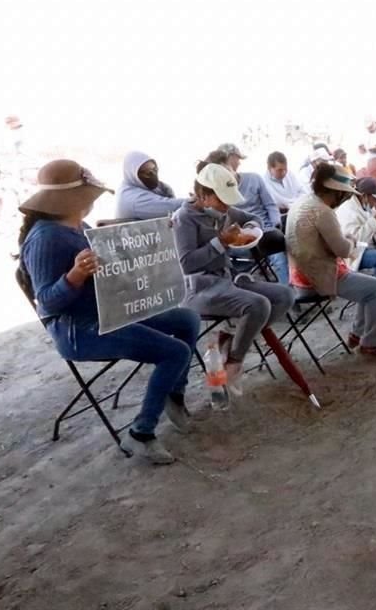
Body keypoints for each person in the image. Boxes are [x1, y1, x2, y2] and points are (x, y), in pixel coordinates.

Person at [18, 159, 200, 464]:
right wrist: (74, 276)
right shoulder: (46, 238)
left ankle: (173, 392)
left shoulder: (75, 225)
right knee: (175, 352)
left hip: (112, 309)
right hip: (80, 329)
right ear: (74, 198)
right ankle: (141, 433)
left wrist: (153, 232)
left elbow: (107, 244)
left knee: (187, 319)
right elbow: (47, 302)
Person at [173, 160, 294, 397]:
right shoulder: (184, 218)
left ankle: (231, 341)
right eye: (221, 199)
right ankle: (234, 361)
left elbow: (253, 218)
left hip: (226, 279)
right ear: (202, 195)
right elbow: (186, 264)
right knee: (258, 304)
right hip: (198, 288)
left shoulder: (224, 211)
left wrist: (250, 227)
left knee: (285, 295)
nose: (227, 206)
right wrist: (221, 242)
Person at [287, 163, 376, 359]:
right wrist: (351, 241)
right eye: (344, 194)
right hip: (317, 277)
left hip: (300, 274)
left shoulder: (304, 202)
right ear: (335, 192)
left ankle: (358, 333)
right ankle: (371, 345)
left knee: (368, 287)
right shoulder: (322, 211)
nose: (345, 198)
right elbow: (343, 249)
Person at [216, 143, 288, 281]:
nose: (239, 162)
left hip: (265, 229)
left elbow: (270, 205)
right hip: (239, 238)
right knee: (277, 254)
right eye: (237, 158)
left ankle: (291, 291)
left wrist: (276, 223)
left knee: (281, 249)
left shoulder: (254, 178)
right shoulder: (219, 188)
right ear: (229, 158)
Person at [116, 151, 187, 220]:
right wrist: (195, 200)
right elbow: (170, 207)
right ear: (133, 174)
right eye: (147, 172)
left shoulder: (136, 184)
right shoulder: (134, 200)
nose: (153, 174)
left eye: (155, 169)